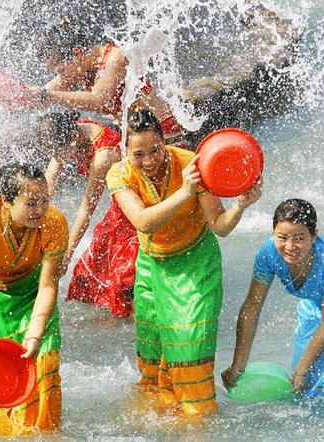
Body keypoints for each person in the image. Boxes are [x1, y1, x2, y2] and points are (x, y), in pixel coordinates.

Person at [106, 109, 262, 416]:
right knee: (152, 355)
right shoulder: (120, 173)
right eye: (139, 154)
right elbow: (142, 221)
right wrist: (184, 192)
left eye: (155, 150)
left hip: (197, 265)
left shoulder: (194, 164)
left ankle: (198, 422)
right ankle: (165, 418)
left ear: (165, 143)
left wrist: (241, 205)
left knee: (191, 348)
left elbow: (219, 226)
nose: (149, 161)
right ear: (125, 151)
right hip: (152, 267)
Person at [222, 199, 324, 413]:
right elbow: (252, 307)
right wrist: (238, 366)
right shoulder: (268, 253)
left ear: (314, 236)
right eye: (282, 237)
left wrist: (300, 370)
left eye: (299, 238)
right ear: (273, 234)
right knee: (306, 385)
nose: (290, 247)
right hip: (317, 302)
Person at [0, 162, 67, 436]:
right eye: (30, 203)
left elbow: (48, 286)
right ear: (6, 202)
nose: (39, 210)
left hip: (32, 292)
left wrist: (35, 334)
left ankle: (45, 434)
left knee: (44, 362)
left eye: (44, 201)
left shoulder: (54, 222)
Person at [37, 111, 138, 317]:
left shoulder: (103, 156)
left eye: (58, 152)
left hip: (135, 207)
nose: (56, 158)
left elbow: (86, 211)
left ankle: (138, 327)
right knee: (87, 273)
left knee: (123, 278)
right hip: (118, 208)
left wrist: (66, 255)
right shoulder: (72, 129)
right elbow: (47, 187)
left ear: (73, 139)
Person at [36, 17, 189, 148]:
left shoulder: (115, 57)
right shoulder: (79, 67)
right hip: (135, 142)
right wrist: (22, 94)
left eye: (61, 70)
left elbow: (98, 99)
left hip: (163, 134)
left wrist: (47, 95)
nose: (61, 76)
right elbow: (41, 94)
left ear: (77, 53)